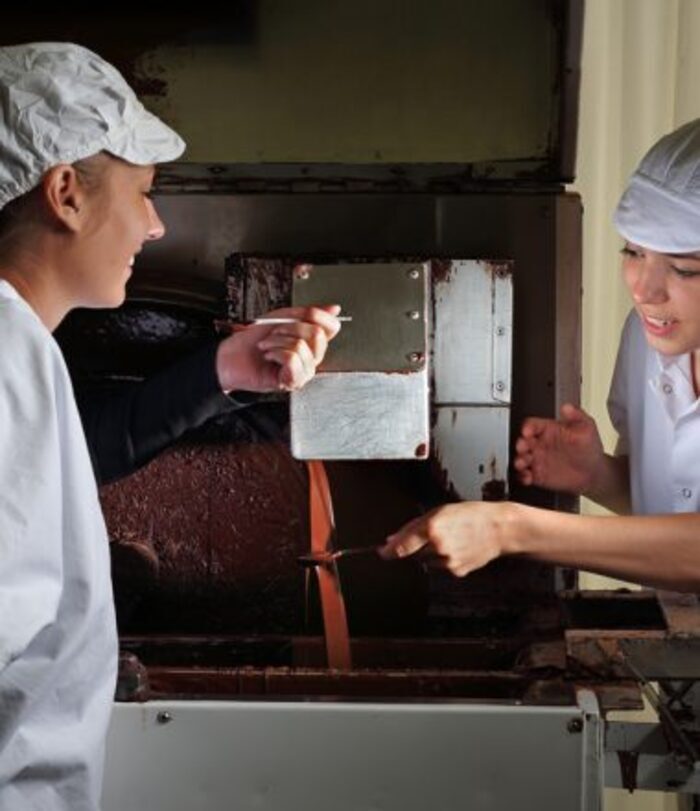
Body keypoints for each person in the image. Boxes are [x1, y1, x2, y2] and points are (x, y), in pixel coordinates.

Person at [0, 42, 341, 810]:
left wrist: (221, 371)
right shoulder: (7, 357)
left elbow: (62, 461)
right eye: (144, 192)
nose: (154, 226)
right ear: (66, 193)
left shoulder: (18, 348)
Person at [382, 118, 700, 593]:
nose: (643, 289)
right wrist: (601, 477)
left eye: (682, 268)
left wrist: (509, 528)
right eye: (632, 252)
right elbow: (674, 516)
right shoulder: (650, 336)